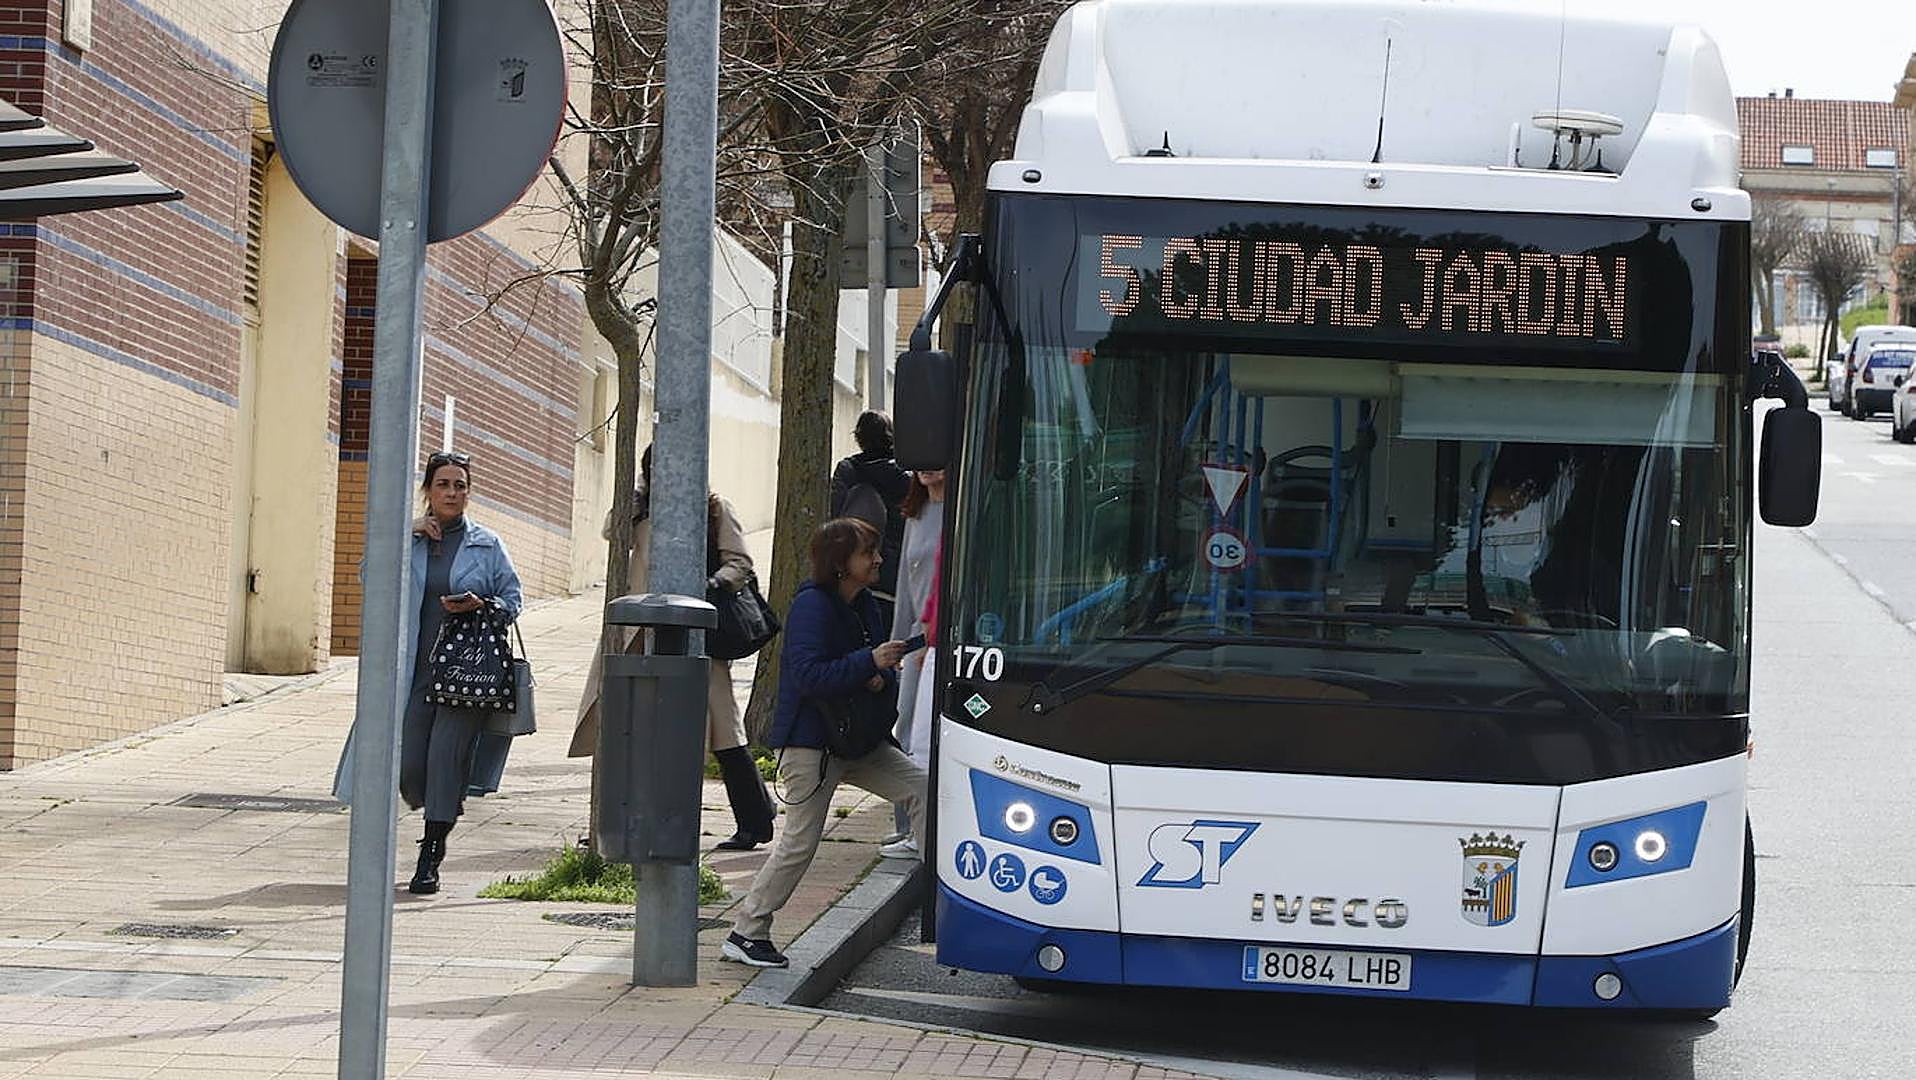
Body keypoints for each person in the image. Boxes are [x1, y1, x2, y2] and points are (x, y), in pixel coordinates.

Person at [722, 518, 925, 969]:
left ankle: (943, 900)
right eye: (867, 552)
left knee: (923, 789)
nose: (878, 559)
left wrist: (878, 675)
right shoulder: (812, 605)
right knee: (799, 843)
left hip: (858, 740)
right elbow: (808, 674)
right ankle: (746, 932)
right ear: (840, 563)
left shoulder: (865, 602)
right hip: (812, 743)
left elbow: (868, 670)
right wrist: (867, 662)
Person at [569, 445, 777, 851]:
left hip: (697, 630)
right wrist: (634, 499)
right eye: (656, 470)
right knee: (626, 726)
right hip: (638, 630)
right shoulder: (641, 509)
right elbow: (611, 532)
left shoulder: (714, 508)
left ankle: (755, 819)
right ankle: (613, 823)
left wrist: (711, 586)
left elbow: (740, 562)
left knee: (724, 729)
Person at [401, 451, 524, 895]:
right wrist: (405, 532)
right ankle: (435, 809)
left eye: (460, 485)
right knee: (410, 766)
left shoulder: (487, 544)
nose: (452, 493)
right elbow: (367, 578)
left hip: (466, 673)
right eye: (443, 484)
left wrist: (482, 604)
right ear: (428, 491)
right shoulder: (409, 539)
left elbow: (513, 599)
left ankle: (431, 854)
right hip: (414, 671)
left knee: (446, 760)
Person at [882, 469, 945, 855]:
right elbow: (905, 586)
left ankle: (923, 829)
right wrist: (897, 643)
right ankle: (908, 826)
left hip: (938, 640)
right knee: (905, 728)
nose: (927, 469)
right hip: (914, 641)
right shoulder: (915, 515)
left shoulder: (959, 511)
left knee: (926, 735)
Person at [830, 411, 910, 628]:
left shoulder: (847, 470)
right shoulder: (905, 475)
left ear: (859, 437)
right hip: (896, 570)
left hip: (855, 569)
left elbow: (835, 516)